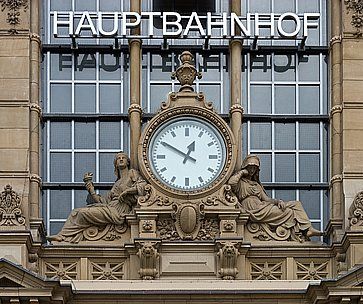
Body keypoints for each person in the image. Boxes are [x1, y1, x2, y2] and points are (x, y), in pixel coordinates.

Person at [47, 152, 147, 243]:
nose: (121, 159)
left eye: (123, 158)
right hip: (110, 209)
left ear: (128, 162)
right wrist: (91, 189)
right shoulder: (116, 183)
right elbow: (103, 201)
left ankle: (64, 237)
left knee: (81, 213)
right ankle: (63, 236)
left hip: (119, 212)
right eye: (118, 158)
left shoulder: (132, 173)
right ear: (116, 164)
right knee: (76, 212)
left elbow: (142, 186)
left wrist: (127, 191)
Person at [228, 154, 323, 241]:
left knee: (296, 204)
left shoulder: (256, 185)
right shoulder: (241, 183)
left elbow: (267, 199)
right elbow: (231, 183)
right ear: (245, 167)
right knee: (289, 212)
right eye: (250, 168)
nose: (252, 171)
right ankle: (305, 229)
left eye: (254, 168)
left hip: (262, 207)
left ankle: (308, 228)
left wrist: (278, 201)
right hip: (253, 209)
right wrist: (241, 173)